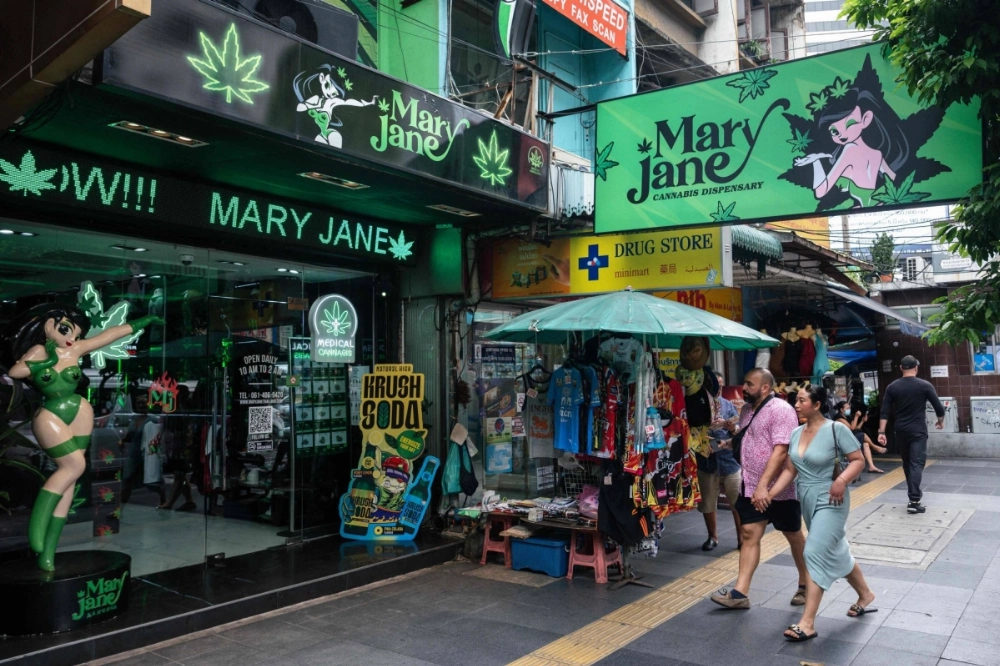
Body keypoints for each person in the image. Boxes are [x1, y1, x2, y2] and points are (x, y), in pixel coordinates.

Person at [766, 385, 876, 642]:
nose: (795, 404)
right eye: (795, 400)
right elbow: (790, 471)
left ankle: (807, 622)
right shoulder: (795, 433)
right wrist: (769, 494)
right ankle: (866, 594)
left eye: (801, 400)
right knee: (835, 550)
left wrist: (841, 481)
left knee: (813, 551)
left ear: (816, 404)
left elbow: (858, 460)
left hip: (832, 498)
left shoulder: (836, 429)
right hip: (807, 497)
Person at [710, 368, 808, 610]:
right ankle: (739, 593)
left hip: (779, 490)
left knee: (793, 535)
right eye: (744, 383)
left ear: (765, 387)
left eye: (749, 384)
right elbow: (750, 438)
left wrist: (764, 487)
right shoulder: (746, 410)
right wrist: (727, 442)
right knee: (749, 534)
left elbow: (781, 450)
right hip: (750, 484)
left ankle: (806, 584)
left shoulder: (781, 410)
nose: (744, 388)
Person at [879, 355, 945, 514]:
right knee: (917, 463)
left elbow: (885, 411)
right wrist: (940, 421)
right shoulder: (925, 385)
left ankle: (913, 497)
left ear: (901, 368)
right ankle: (914, 500)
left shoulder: (892, 387)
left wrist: (881, 432)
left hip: (900, 430)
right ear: (916, 367)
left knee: (908, 462)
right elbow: (939, 408)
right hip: (918, 431)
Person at [696, 372, 742, 551]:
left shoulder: (728, 405)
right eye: (715, 385)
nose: (719, 389)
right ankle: (712, 537)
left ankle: (741, 539)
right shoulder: (697, 406)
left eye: (721, 385)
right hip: (707, 460)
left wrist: (733, 428)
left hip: (729, 461)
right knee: (708, 502)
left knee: (737, 502)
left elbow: (739, 431)